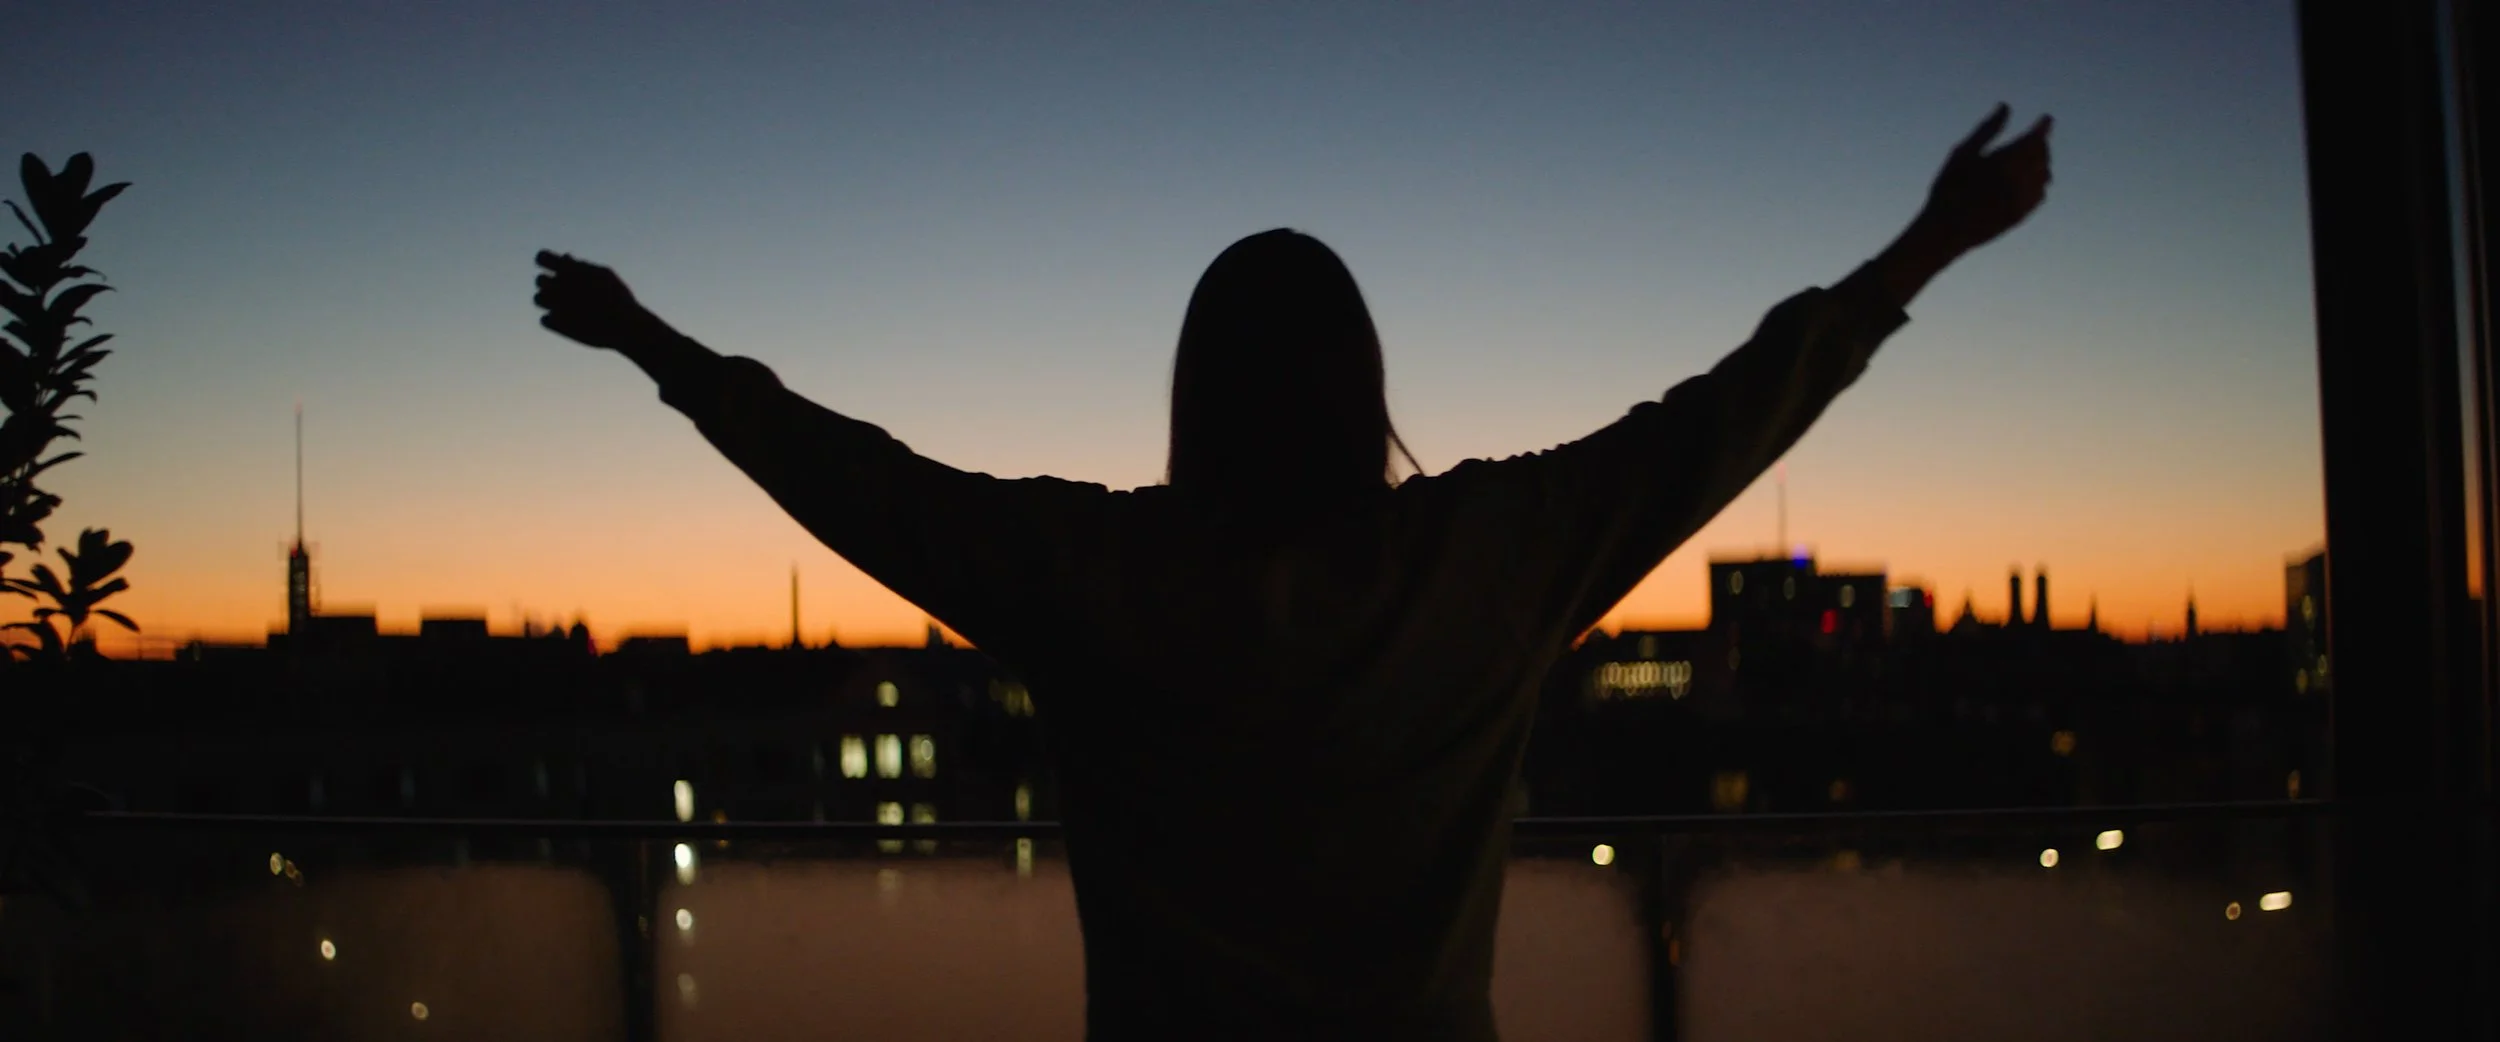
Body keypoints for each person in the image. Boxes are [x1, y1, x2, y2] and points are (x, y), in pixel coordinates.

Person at [534, 104, 2051, 1040]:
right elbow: (1721, 421)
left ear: (1197, 391)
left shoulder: (1097, 570)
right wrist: (1927, 242)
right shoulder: (1482, 560)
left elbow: (858, 480)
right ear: (1361, 385)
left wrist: (656, 344)